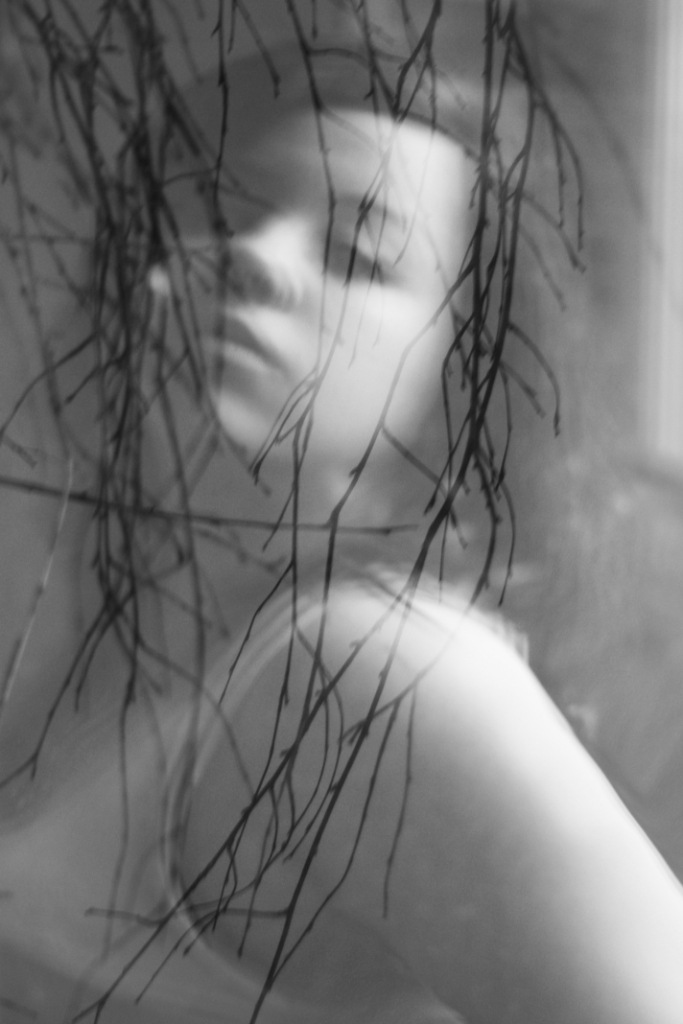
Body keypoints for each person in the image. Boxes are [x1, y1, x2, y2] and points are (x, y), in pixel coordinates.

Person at [3, 23, 683, 1024]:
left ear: (459, 374)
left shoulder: (375, 675)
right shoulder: (140, 658)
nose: (253, 259)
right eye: (217, 208)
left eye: (359, 252)